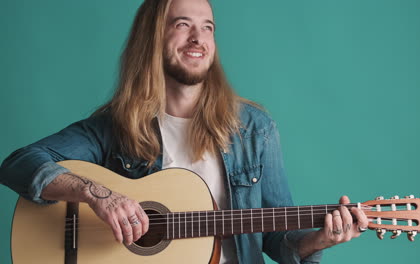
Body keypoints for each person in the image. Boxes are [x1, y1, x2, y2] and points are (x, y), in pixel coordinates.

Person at [0, 0, 368, 263]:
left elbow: (275, 239)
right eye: (182, 24)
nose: (199, 38)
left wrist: (319, 239)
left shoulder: (254, 128)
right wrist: (98, 194)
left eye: (207, 27)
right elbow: (19, 163)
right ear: (152, 38)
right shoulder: (116, 125)